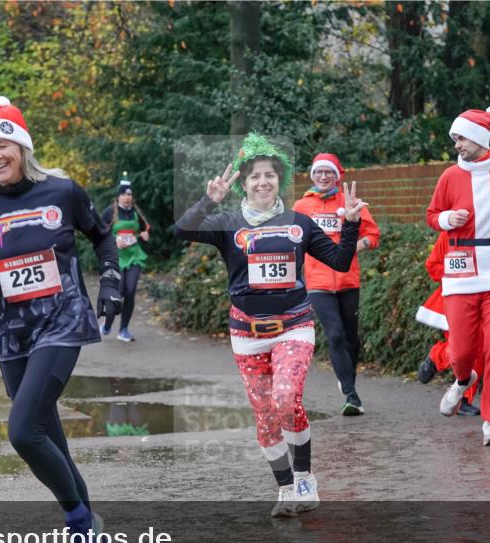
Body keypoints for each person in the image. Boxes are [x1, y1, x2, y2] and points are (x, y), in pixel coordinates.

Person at [0, 96, 123, 543]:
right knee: (51, 439)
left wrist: (110, 281)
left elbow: (103, 235)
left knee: (22, 430)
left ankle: (79, 526)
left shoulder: (63, 190)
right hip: (12, 333)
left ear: (22, 147)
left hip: (62, 320)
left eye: (2, 144)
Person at [174, 133, 363, 517]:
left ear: (280, 181)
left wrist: (352, 224)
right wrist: (209, 198)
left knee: (284, 399)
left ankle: (306, 476)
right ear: (243, 184)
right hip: (247, 334)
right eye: (255, 177)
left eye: (270, 176)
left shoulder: (300, 222)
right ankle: (286, 489)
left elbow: (341, 262)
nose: (263, 182)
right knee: (264, 416)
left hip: (293, 325)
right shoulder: (228, 222)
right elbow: (181, 231)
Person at [426, 107, 490, 446]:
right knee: (460, 351)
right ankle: (461, 380)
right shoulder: (449, 177)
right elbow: (432, 216)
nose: (457, 144)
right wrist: (447, 220)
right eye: (455, 139)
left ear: (480, 138)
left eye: (461, 138)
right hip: (460, 270)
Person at [293, 153, 380, 416]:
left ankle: (346, 378)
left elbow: (372, 236)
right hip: (318, 283)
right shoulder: (301, 207)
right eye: (318, 172)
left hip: (348, 280)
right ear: (312, 176)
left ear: (336, 175)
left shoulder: (350, 202)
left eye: (327, 172)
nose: (322, 176)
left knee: (351, 338)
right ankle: (351, 395)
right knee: (336, 335)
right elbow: (292, 239)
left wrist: (350, 248)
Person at [415, 231, 481, 416]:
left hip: (483, 298)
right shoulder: (448, 234)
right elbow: (432, 265)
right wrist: (454, 273)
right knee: (462, 349)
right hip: (455, 301)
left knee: (480, 350)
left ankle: (465, 398)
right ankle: (438, 356)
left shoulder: (487, 232)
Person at [99, 175, 150, 342]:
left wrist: (144, 234)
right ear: (118, 196)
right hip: (116, 258)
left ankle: (123, 330)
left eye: (130, 195)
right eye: (125, 195)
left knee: (130, 291)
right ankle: (107, 324)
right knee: (117, 293)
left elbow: (146, 229)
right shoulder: (111, 211)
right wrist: (114, 240)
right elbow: (98, 232)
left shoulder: (136, 212)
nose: (128, 198)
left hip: (134, 256)